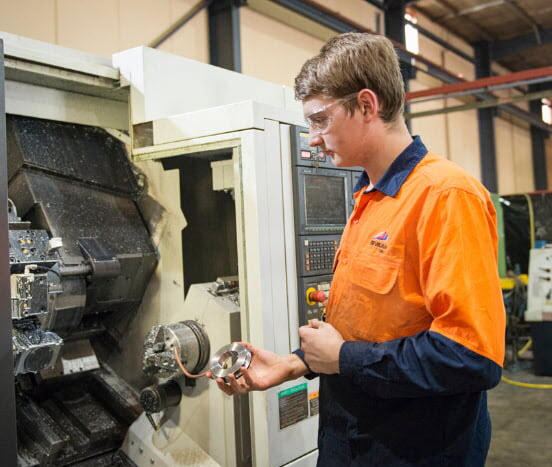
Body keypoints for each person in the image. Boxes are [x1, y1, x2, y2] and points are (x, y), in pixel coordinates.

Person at [208, 32, 506, 466]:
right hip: (351, 438)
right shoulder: (369, 197)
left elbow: (472, 357)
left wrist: (344, 358)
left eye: (320, 120)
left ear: (368, 105)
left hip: (414, 448)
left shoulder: (445, 195)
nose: (312, 139)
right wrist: (294, 364)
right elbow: (378, 324)